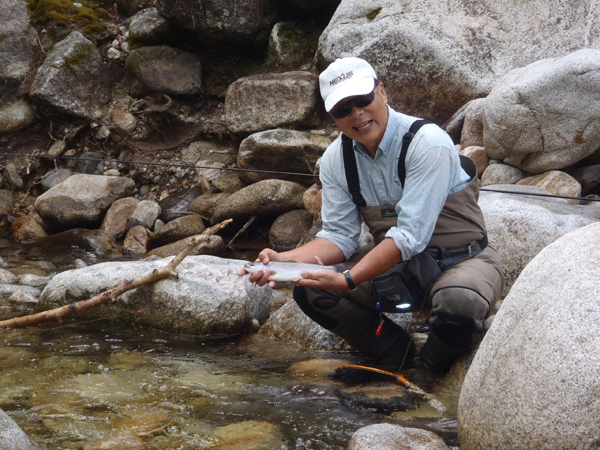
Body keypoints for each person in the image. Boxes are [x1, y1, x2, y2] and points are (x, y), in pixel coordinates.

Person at [238, 57, 504, 372]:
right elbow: (338, 236)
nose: (357, 114)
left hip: (463, 261)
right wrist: (285, 262)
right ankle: (394, 356)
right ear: (333, 117)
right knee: (310, 289)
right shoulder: (336, 159)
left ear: (382, 92)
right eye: (342, 110)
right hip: (399, 270)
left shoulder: (427, 143)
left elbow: (409, 236)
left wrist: (347, 279)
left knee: (460, 307)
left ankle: (430, 368)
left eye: (362, 100)